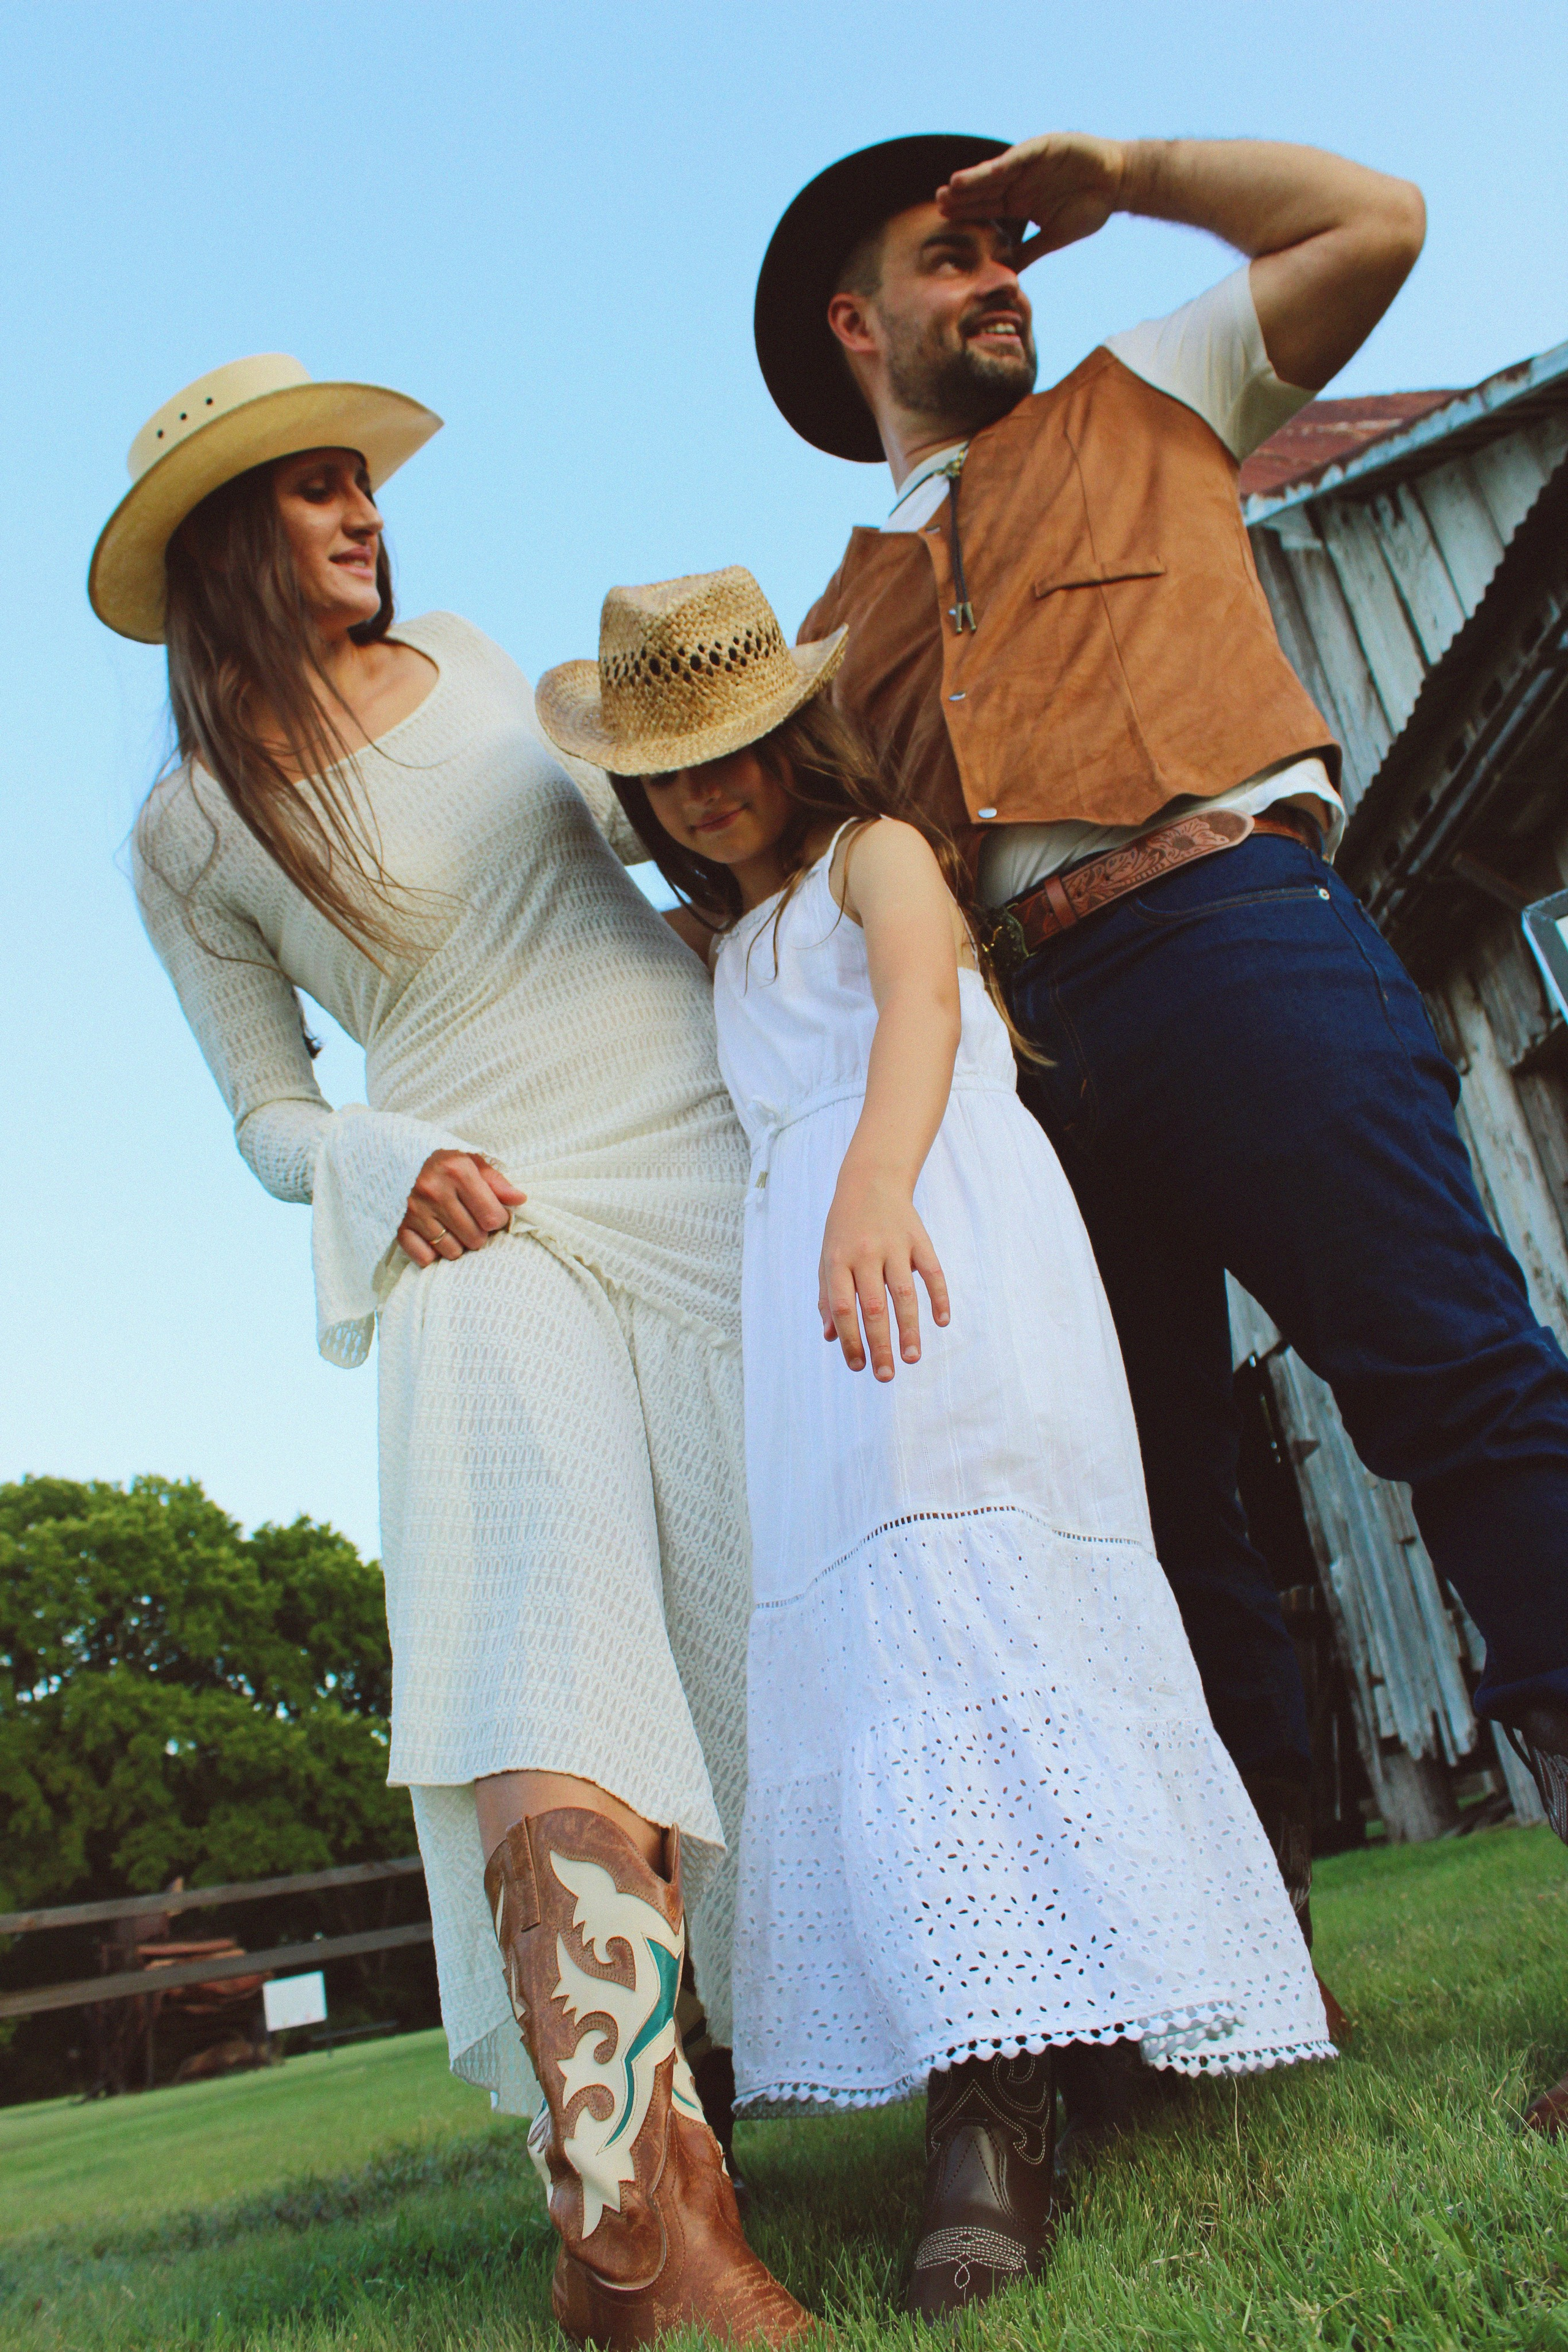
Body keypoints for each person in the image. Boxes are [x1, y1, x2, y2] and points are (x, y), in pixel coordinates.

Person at [752, 134, 1568, 2051]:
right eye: (953, 261)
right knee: (1145, 1509)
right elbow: (751, 870)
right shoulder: (830, 625)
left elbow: (1382, 219)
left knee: (1451, 1377)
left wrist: (1129, 174)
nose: (1002, 278)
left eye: (1007, 251)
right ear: (860, 325)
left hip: (1230, 928)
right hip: (1020, 1066)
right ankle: (1237, 1971)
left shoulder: (1158, 388)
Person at [92, 356, 809, 2348]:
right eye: (312, 492)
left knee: (777, 1598)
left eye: (358, 484)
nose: (359, 514)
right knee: (533, 1592)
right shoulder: (187, 828)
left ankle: (960, 2047)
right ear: (225, 539)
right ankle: (640, 2226)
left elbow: (668, 842)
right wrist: (377, 1159)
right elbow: (261, 1108)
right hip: (469, 1196)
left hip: (685, 1144)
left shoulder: (487, 656)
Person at [536, 565, 1333, 2320]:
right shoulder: (725, 944)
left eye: (732, 746)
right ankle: (1024, 2026)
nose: (705, 789)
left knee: (980, 1595)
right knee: (889, 1649)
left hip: (939, 1237)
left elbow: (916, 1012)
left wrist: (878, 1182)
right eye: (667, 770)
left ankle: (1010, 2108)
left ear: (792, 729)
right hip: (814, 1314)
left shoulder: (872, 858)